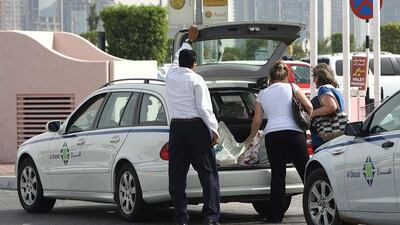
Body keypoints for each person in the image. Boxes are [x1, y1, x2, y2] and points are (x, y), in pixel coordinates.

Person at [165, 25, 220, 225]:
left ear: (179, 63)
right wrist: (214, 130)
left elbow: (174, 61)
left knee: (177, 177)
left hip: (177, 129)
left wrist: (188, 40)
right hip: (196, 128)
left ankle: (181, 218)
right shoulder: (197, 80)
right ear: (194, 64)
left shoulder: (170, 76)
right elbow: (205, 108)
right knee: (208, 175)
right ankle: (211, 218)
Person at [245, 61, 312, 223]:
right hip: (294, 134)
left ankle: (275, 215)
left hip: (273, 135)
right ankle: (317, 204)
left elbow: (257, 120)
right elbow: (309, 107)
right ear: (286, 76)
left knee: (278, 175)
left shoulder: (262, 94)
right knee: (307, 172)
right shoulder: (292, 88)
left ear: (271, 77)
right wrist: (307, 124)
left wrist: (251, 137)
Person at [310, 63, 345, 150]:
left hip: (325, 139)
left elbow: (331, 107)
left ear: (318, 77)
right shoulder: (335, 90)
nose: (313, 80)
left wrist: (313, 113)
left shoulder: (323, 89)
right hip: (337, 135)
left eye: (314, 77)